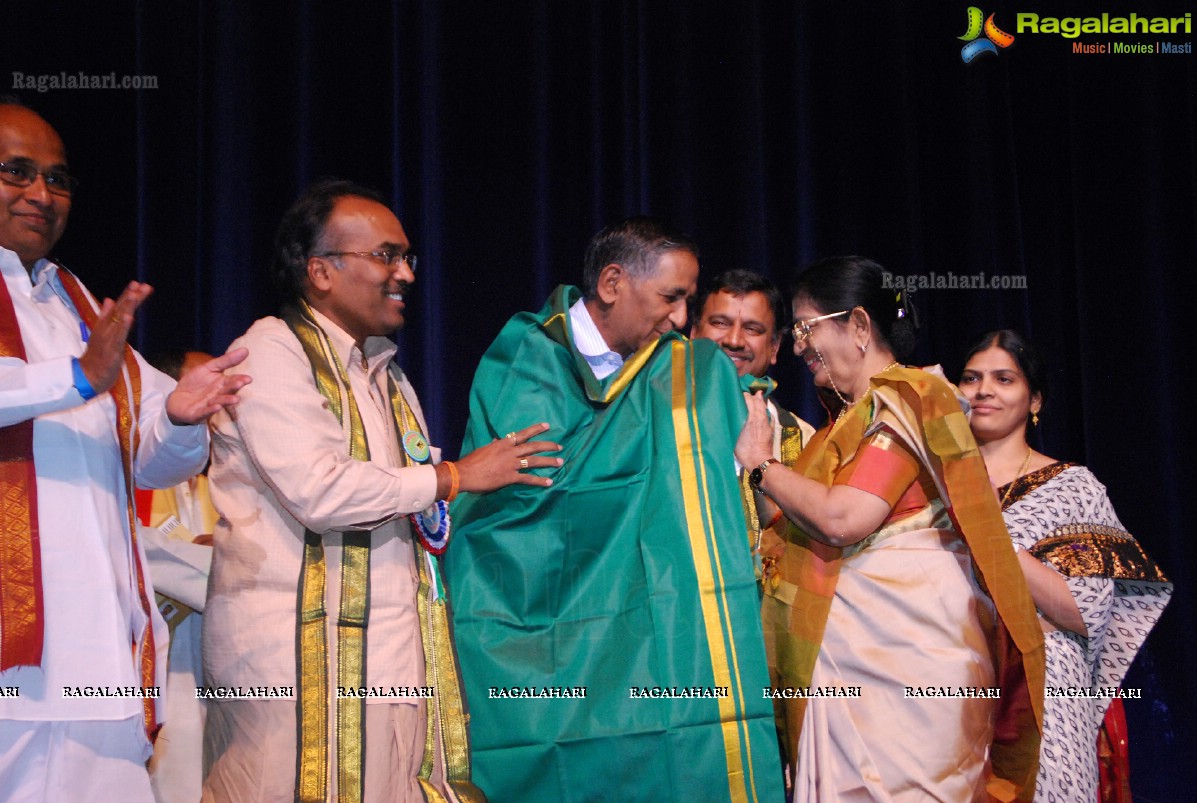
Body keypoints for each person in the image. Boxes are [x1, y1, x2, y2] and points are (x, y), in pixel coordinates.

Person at [201, 179, 560, 802]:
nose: (405, 274)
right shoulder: (270, 350)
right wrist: (455, 476)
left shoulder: (387, 378)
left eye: (407, 257)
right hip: (289, 668)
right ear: (320, 271)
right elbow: (319, 490)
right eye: (385, 256)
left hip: (389, 661)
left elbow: (418, 507)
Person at [447, 218, 782, 802]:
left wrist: (739, 465)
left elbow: (708, 497)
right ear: (611, 283)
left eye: (687, 301)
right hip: (538, 632)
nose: (682, 320)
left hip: (652, 647)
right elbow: (524, 497)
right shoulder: (524, 357)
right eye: (671, 298)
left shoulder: (689, 374)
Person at [0, 100, 250, 801]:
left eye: (58, 180)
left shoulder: (75, 298)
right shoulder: (82, 340)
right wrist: (77, 376)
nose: (42, 194)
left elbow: (152, 459)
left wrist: (178, 412)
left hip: (99, 648)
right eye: (17, 172)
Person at [733, 256, 1044, 802]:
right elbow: (787, 530)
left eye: (806, 328)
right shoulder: (839, 429)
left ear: (857, 325)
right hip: (852, 673)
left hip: (907, 675)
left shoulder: (911, 398)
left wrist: (763, 465)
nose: (800, 345)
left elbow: (843, 516)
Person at [959, 329, 1171, 803]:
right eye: (971, 378)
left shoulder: (1073, 488)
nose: (983, 390)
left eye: (1004, 379)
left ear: (1034, 401)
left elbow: (1085, 611)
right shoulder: (931, 484)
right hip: (949, 682)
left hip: (1045, 690)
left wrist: (990, 537)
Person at [691, 269, 815, 577]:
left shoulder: (804, 439)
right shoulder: (652, 419)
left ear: (774, 348)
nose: (733, 340)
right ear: (692, 334)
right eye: (720, 323)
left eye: (753, 329)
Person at [138, 350, 219, 803]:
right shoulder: (133, 483)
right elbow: (143, 556)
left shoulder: (225, 487)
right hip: (159, 676)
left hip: (221, 674)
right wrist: (223, 558)